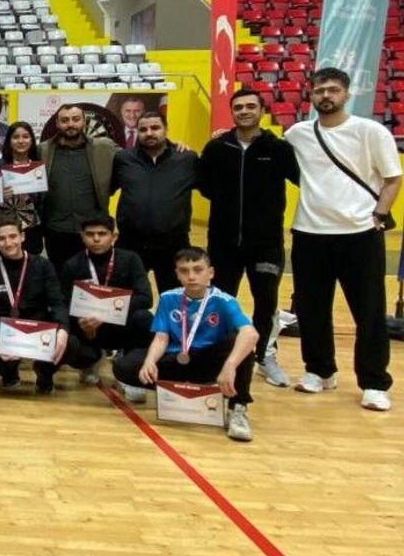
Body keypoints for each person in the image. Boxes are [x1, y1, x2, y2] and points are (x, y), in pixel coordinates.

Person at [285, 67, 399, 411]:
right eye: (320, 90)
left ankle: (374, 382)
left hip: (359, 235)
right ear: (311, 95)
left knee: (369, 312)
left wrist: (379, 214)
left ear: (347, 94)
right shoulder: (298, 133)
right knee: (312, 309)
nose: (326, 96)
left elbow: (392, 178)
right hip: (310, 233)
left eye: (333, 90)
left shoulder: (371, 131)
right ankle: (319, 370)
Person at [196, 88, 300, 388]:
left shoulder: (278, 148)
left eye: (250, 106)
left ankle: (265, 357)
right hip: (223, 243)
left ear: (261, 111)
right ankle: (220, 356)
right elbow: (204, 184)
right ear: (232, 112)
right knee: (220, 302)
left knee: (266, 303)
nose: (244, 111)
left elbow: (302, 178)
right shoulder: (217, 147)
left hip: (265, 244)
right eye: (238, 107)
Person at [112, 248, 259, 442]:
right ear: (177, 274)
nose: (191, 276)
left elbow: (251, 333)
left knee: (242, 345)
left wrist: (230, 365)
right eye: (184, 271)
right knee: (123, 366)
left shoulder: (224, 301)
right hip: (176, 358)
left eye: (198, 270)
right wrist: (150, 361)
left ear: (211, 273)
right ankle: (177, 393)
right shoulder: (168, 298)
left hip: (208, 361)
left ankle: (237, 408)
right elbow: (161, 337)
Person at [56, 215, 153, 400]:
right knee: (65, 333)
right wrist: (80, 321)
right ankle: (89, 361)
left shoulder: (131, 259)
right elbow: (63, 303)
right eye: (90, 234)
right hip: (88, 330)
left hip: (121, 326)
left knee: (144, 318)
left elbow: (145, 298)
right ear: (82, 236)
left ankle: (128, 366)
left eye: (102, 234)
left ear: (113, 236)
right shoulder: (72, 265)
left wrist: (107, 312)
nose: (96, 239)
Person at [0, 216, 80, 393]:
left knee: (70, 344)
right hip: (8, 333)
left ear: (22, 236)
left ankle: (44, 372)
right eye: (1, 238)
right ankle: (9, 372)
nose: (8, 243)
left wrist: (63, 330)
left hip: (38, 330)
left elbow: (57, 302)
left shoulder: (43, 265)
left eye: (13, 236)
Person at [110, 111, 197, 292]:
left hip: (173, 245)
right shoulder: (123, 158)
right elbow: (107, 188)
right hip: (130, 244)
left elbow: (212, 187)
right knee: (123, 299)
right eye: (143, 129)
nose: (149, 133)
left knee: (174, 300)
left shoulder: (187, 159)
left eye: (155, 128)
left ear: (166, 129)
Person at [40, 104, 118, 270]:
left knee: (93, 278)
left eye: (76, 119)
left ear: (84, 121)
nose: (70, 124)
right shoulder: (43, 150)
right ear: (57, 124)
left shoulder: (104, 147)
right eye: (65, 120)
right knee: (59, 278)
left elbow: (132, 160)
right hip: (56, 231)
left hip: (92, 231)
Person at [0, 121, 45, 255]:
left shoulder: (38, 168)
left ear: (32, 140)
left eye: (25, 137)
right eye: (16, 137)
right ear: (9, 141)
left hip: (32, 231)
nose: (21, 141)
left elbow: (43, 202)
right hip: (4, 230)